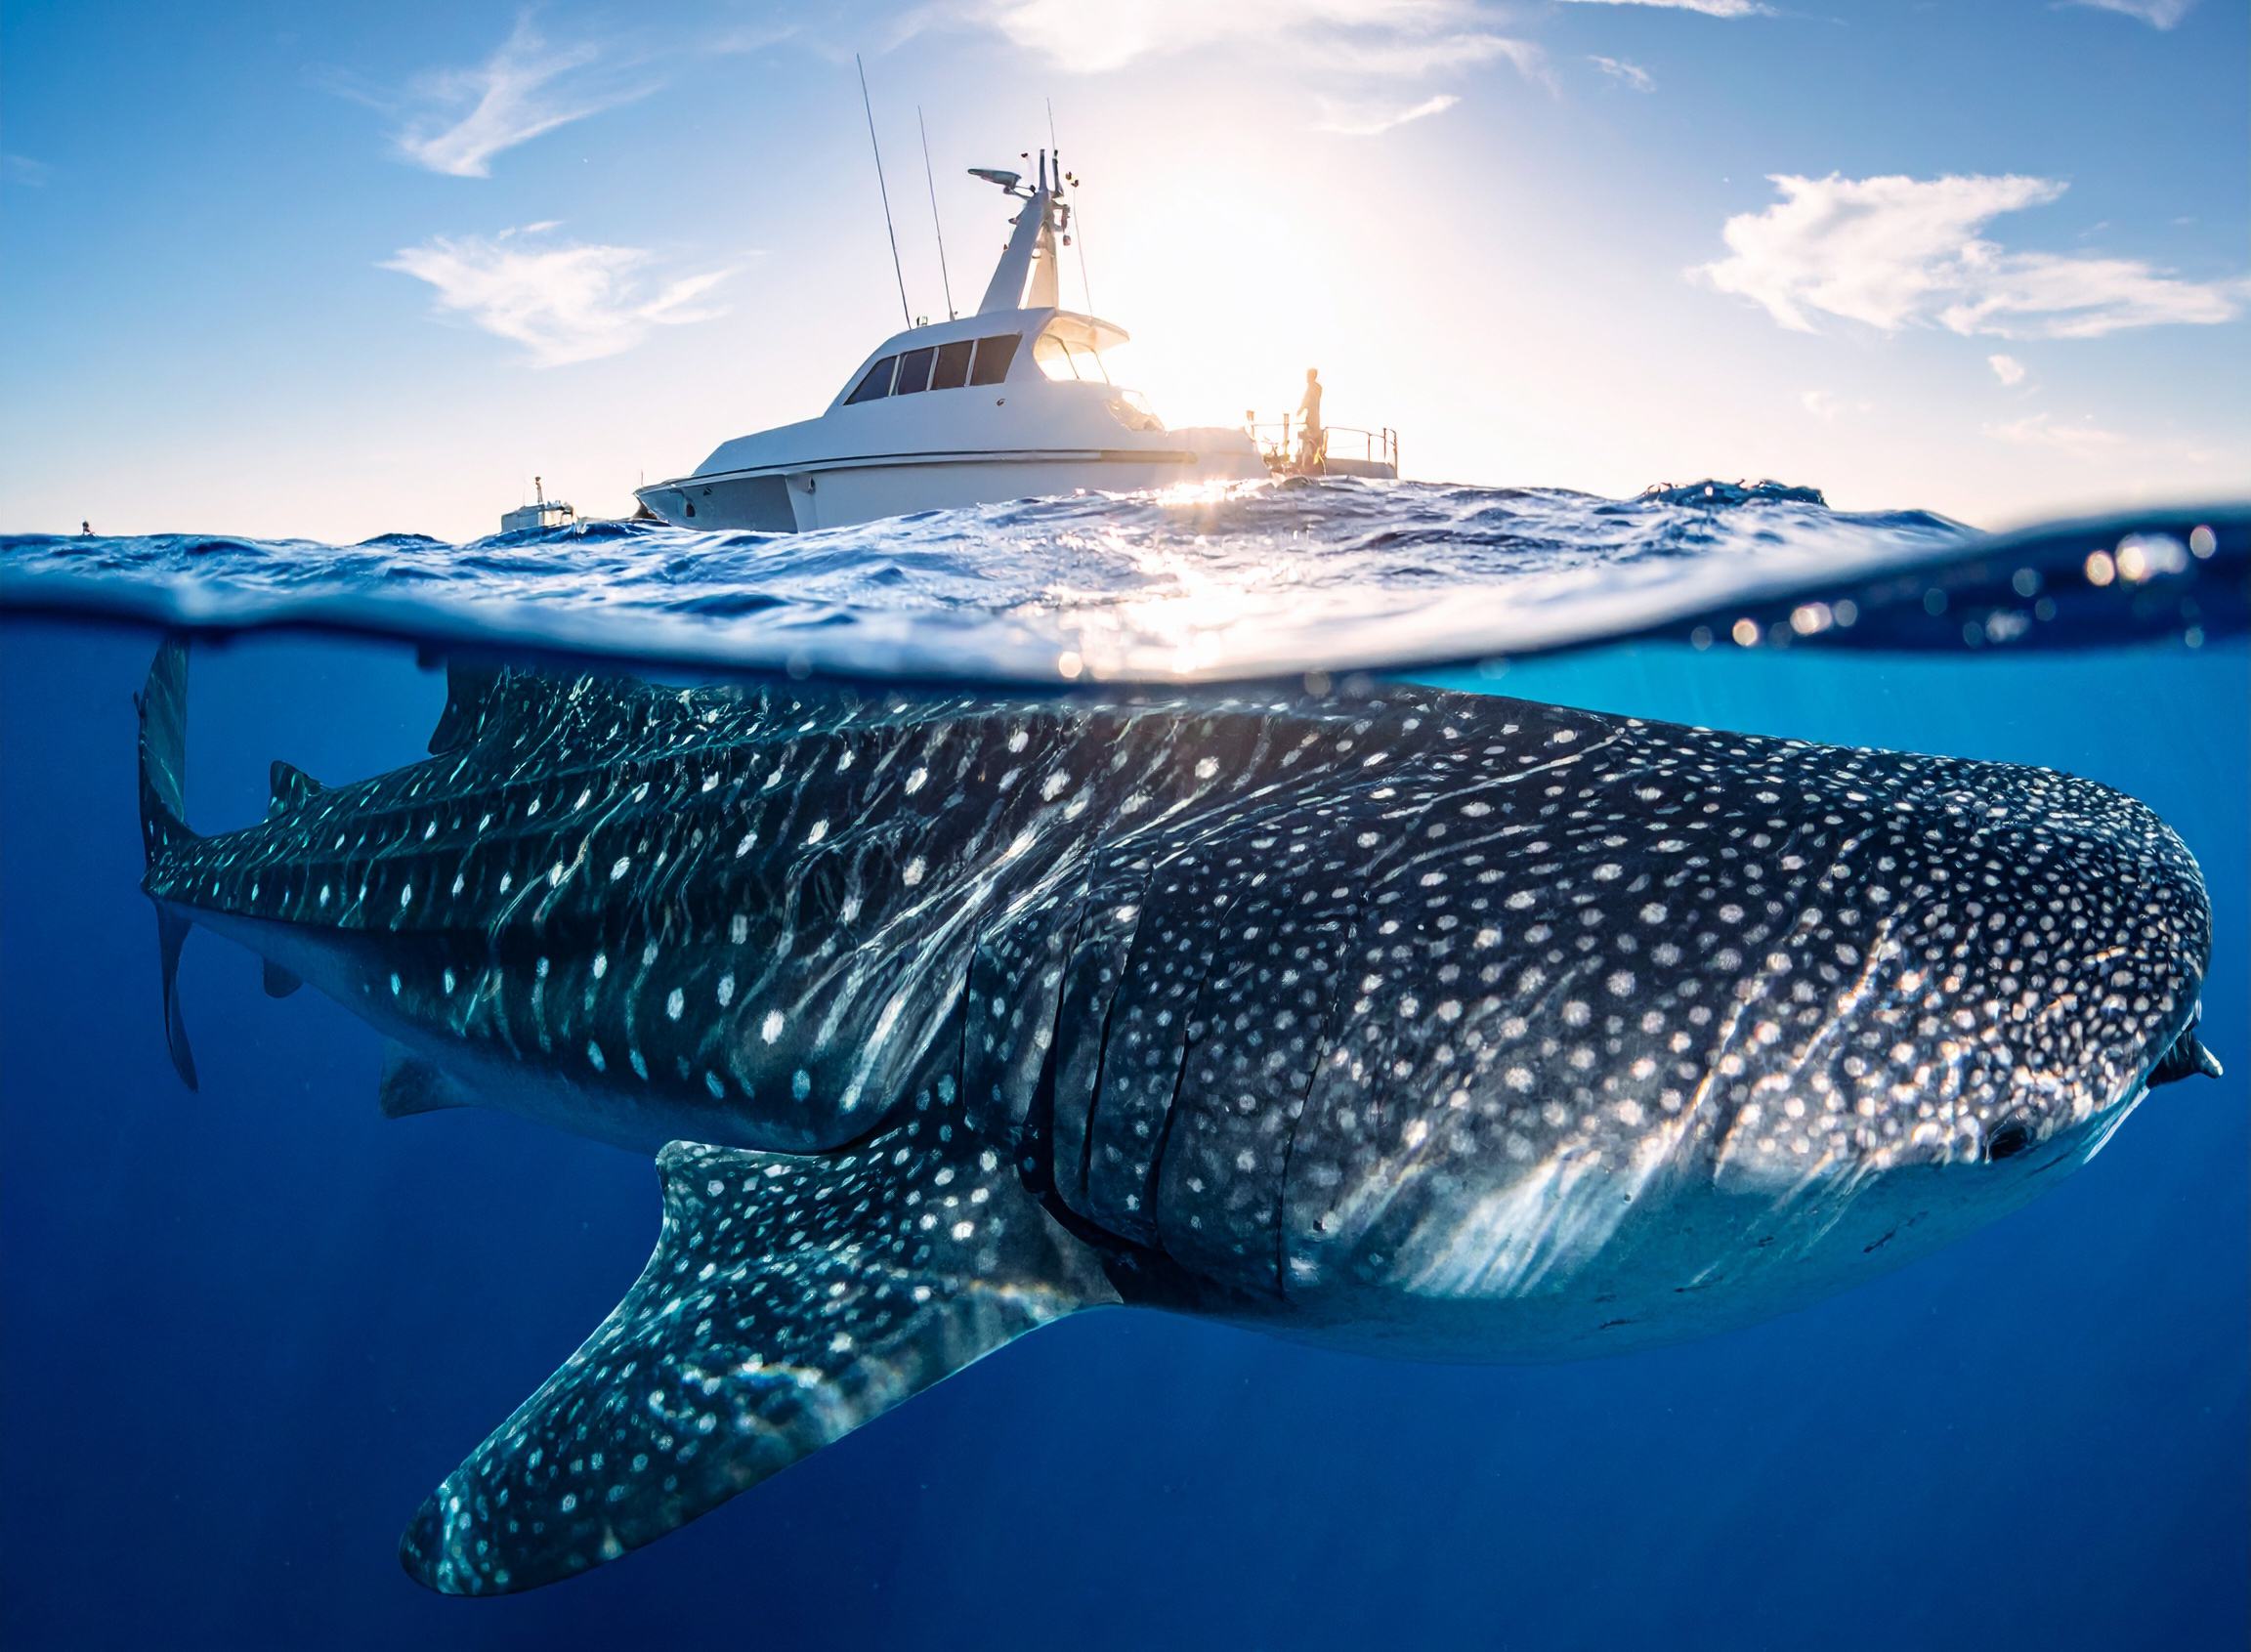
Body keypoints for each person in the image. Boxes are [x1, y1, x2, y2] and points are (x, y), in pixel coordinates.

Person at [1295, 367, 1325, 473]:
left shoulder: (1313, 387)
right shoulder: (1317, 387)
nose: (1306, 378)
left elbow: (1307, 400)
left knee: (1311, 438)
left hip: (1313, 417)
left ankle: (1308, 463)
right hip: (1313, 415)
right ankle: (1311, 459)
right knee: (1311, 438)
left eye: (1308, 375)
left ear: (1312, 376)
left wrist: (1300, 410)